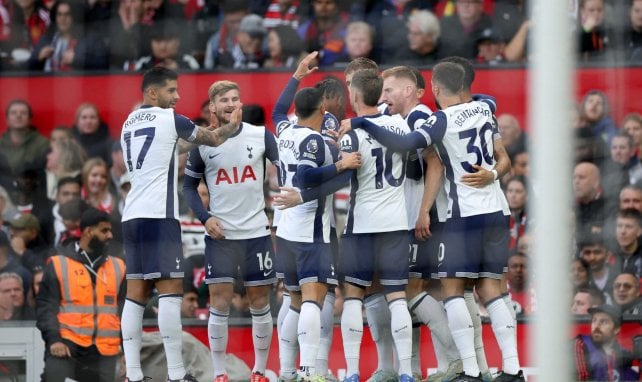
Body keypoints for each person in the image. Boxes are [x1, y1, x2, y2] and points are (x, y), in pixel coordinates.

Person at [344, 61, 523, 381]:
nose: (382, 96)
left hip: (442, 216)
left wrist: (363, 123)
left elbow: (420, 153)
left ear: (424, 90)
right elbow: (483, 106)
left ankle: (463, 364)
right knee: (485, 288)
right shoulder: (484, 106)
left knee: (437, 290)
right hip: (491, 211)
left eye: (389, 90)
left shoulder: (428, 119)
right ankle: (502, 368)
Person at [119, 66, 243, 382]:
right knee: (171, 292)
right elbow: (212, 139)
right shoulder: (170, 119)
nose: (177, 96)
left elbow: (173, 147)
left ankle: (133, 375)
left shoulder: (129, 123)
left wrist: (203, 131)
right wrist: (230, 125)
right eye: (171, 90)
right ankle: (176, 374)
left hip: (131, 216)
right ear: (152, 92)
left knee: (135, 293)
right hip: (160, 218)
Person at [182, 79, 279, 382]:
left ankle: (260, 371)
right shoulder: (204, 144)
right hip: (221, 236)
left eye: (235, 99)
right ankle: (220, 373)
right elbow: (187, 186)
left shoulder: (261, 135)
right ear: (212, 106)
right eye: (224, 100)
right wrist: (204, 217)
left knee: (259, 301)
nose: (230, 104)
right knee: (220, 302)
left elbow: (286, 169)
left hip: (256, 233)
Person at [272, 51, 360, 381]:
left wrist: (296, 74)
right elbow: (310, 177)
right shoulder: (317, 139)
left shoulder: (284, 129)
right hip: (312, 229)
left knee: (294, 300)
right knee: (314, 296)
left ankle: (285, 372)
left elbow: (277, 110)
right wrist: (342, 164)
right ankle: (309, 371)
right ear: (322, 110)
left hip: (286, 229)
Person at [336, 68, 416, 382]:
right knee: (397, 296)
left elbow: (343, 177)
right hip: (396, 224)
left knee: (354, 295)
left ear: (354, 96)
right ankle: (406, 372)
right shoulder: (398, 123)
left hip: (362, 225)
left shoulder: (350, 134)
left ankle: (353, 371)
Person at [35, 208, 126, 382]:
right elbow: (46, 306)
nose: (110, 236)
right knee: (53, 375)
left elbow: (124, 312)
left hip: (105, 351)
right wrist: (54, 340)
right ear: (88, 231)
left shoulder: (119, 267)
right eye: (104, 230)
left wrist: (127, 349)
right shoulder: (59, 263)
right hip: (67, 344)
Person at [28, 0, 109, 71]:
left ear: (75, 16)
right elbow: (27, 67)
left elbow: (104, 64)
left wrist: (77, 60)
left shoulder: (91, 38)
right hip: (48, 85)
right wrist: (38, 58)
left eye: (67, 14)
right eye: (59, 14)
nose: (62, 19)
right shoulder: (48, 37)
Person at [573, 304, 639, 381]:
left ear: (616, 329)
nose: (596, 326)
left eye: (603, 322)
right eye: (594, 320)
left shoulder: (624, 354)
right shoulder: (580, 345)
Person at [0, 99, 49, 178]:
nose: (18, 116)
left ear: (30, 119)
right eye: (13, 113)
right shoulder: (1, 144)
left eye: (23, 113)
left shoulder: (43, 144)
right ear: (7, 120)